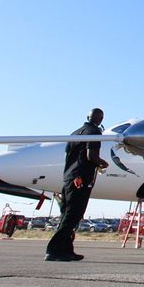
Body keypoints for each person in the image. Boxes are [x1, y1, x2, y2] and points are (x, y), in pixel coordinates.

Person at [46, 108, 109, 262]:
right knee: (73, 215)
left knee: (67, 213)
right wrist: (102, 163)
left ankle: (67, 249)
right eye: (100, 118)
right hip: (81, 178)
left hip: (69, 177)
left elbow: (68, 155)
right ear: (99, 119)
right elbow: (91, 155)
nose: (100, 120)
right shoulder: (94, 132)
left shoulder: (75, 132)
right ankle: (54, 249)